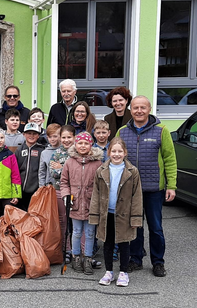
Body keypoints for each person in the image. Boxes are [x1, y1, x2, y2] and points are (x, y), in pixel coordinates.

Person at [116, 96, 177, 277]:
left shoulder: (161, 130)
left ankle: (158, 262)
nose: (139, 111)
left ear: (149, 109)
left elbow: (170, 159)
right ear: (131, 110)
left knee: (155, 227)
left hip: (154, 189)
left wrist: (171, 186)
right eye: (136, 108)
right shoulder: (122, 132)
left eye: (143, 107)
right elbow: (115, 158)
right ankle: (136, 259)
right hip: (130, 189)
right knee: (135, 226)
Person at [89, 138, 143, 287]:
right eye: (114, 151)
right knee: (108, 243)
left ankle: (123, 272)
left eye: (120, 151)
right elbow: (96, 194)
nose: (117, 154)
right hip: (107, 214)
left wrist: (136, 218)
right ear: (109, 152)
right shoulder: (101, 171)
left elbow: (137, 196)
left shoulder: (132, 171)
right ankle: (109, 271)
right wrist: (95, 215)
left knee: (124, 243)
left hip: (124, 214)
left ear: (125, 153)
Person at [60, 132, 103, 275]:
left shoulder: (97, 163)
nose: (83, 146)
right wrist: (66, 195)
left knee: (90, 233)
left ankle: (88, 258)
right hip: (75, 203)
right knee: (77, 232)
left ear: (91, 145)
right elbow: (64, 182)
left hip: (91, 203)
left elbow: (101, 184)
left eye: (86, 143)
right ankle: (76, 257)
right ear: (75, 144)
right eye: (80, 143)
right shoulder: (69, 162)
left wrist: (99, 200)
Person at [49, 124, 76, 259]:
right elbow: (53, 173)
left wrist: (62, 167)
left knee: (77, 222)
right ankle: (66, 249)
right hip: (59, 190)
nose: (66, 140)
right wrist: (68, 169)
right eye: (63, 137)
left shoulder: (79, 151)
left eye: (69, 137)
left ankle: (78, 250)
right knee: (63, 221)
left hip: (76, 191)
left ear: (74, 137)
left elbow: (78, 173)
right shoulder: (57, 153)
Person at [15, 123, 44, 211]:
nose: (31, 136)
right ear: (24, 134)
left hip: (35, 190)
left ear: (38, 135)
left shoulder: (42, 150)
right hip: (20, 191)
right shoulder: (19, 150)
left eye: (34, 133)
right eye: (29, 133)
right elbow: (15, 171)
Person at [38, 123, 61, 187]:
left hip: (62, 186)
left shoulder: (65, 151)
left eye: (55, 136)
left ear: (60, 136)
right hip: (49, 186)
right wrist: (42, 187)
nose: (52, 139)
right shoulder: (44, 153)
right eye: (50, 137)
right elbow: (42, 173)